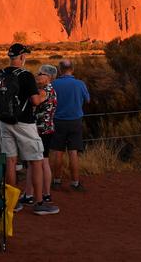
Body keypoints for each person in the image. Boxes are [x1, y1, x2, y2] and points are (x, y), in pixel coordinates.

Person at [0, 44, 59, 215]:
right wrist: (43, 96)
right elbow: (35, 101)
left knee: (11, 162)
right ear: (21, 57)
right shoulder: (26, 75)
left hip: (4, 123)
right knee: (36, 161)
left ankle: (12, 203)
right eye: (24, 56)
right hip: (24, 124)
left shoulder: (1, 74)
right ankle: (39, 202)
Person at [20, 65, 58, 206]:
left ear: (48, 77)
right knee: (44, 161)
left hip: (39, 131)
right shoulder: (52, 90)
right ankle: (46, 194)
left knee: (33, 163)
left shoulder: (43, 91)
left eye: (40, 74)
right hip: (48, 129)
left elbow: (35, 102)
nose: (37, 75)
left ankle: (29, 195)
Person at [50, 59, 90, 191]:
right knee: (73, 152)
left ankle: (56, 182)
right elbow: (88, 100)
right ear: (72, 69)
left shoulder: (54, 84)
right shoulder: (80, 84)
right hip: (75, 121)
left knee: (58, 152)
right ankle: (75, 183)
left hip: (58, 121)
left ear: (60, 70)